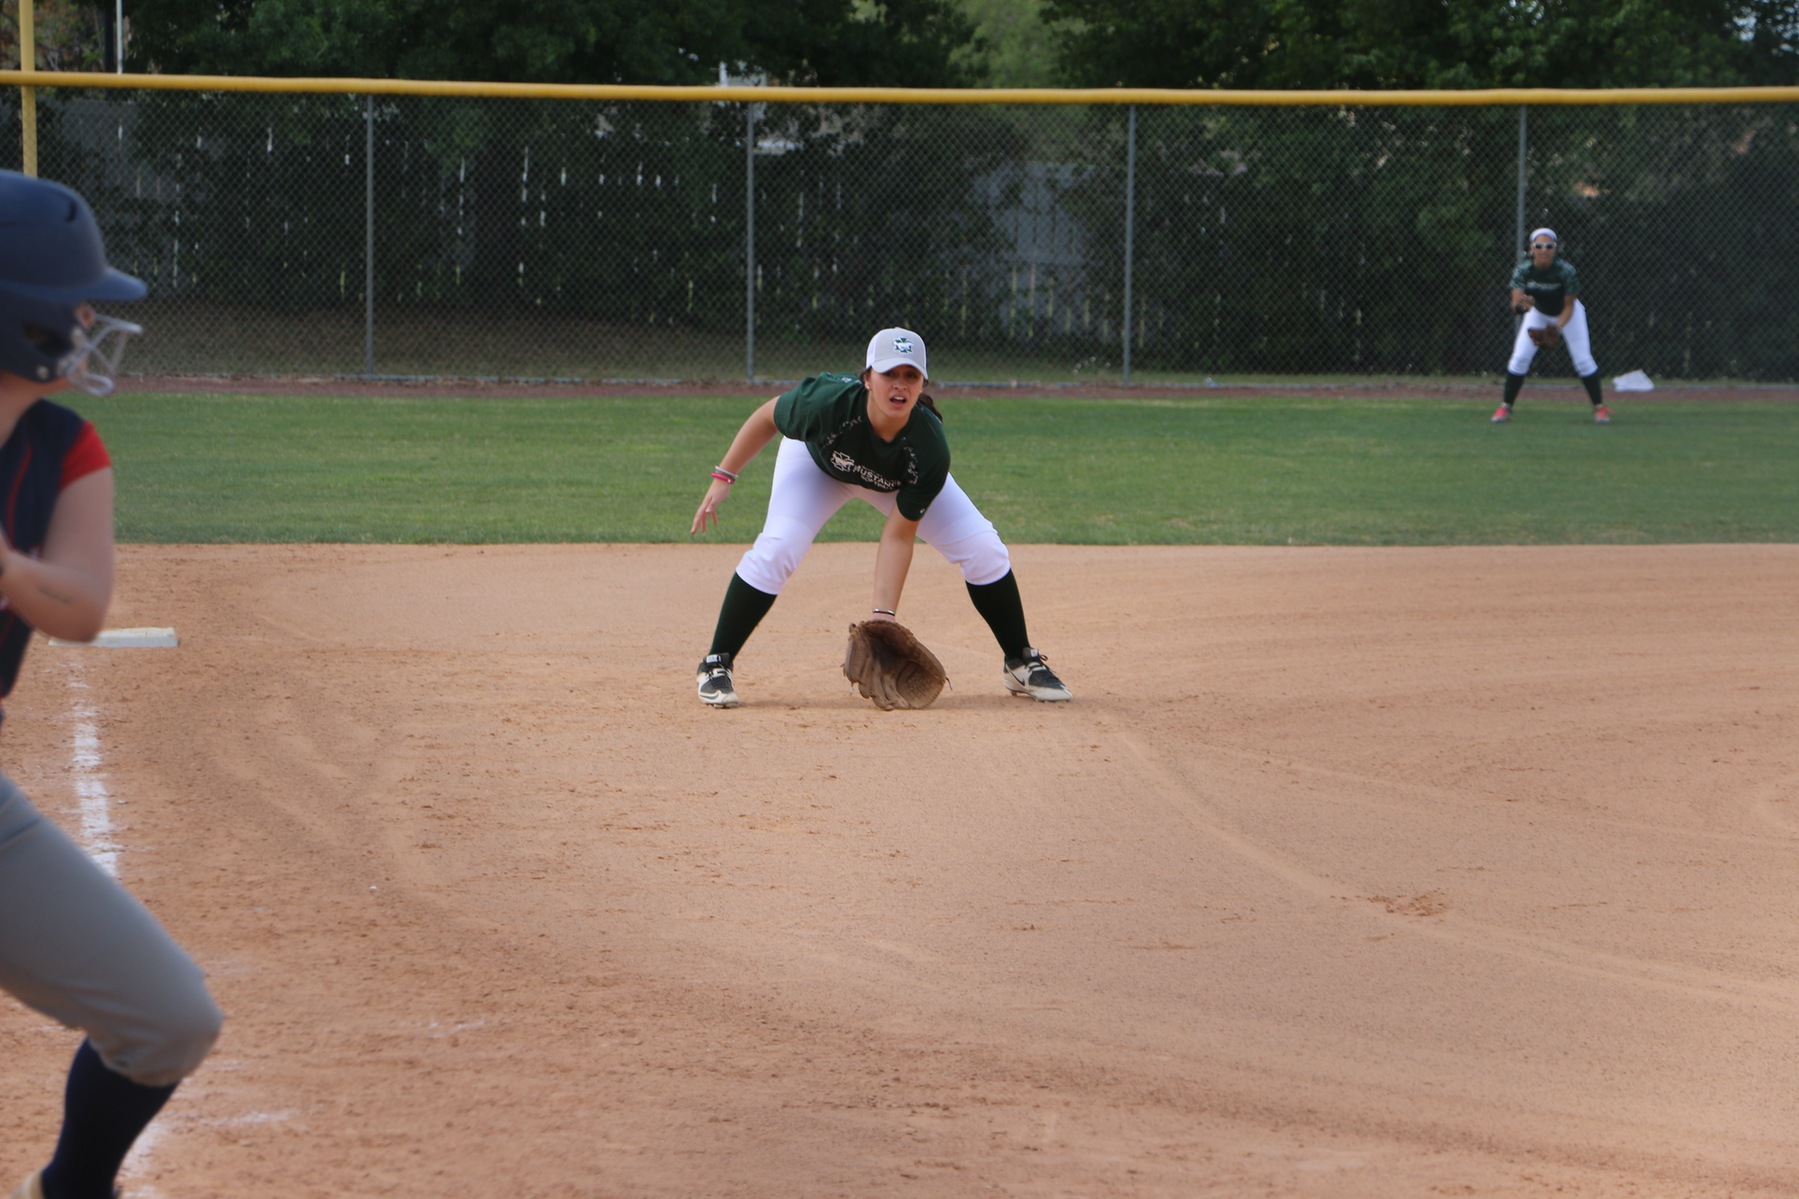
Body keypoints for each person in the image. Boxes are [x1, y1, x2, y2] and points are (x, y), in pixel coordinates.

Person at [0, 171, 223, 1199]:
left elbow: (81, 606)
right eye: (78, 299)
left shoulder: (63, 447)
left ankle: (73, 1188)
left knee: (167, 1016)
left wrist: (4, 567)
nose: (92, 319)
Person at [689, 327, 1071, 708]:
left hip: (893, 481)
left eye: (910, 375)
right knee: (778, 547)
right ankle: (715, 663)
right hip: (818, 465)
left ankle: (1020, 662)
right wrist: (725, 476)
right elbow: (767, 416)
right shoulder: (826, 402)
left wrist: (882, 616)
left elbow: (899, 534)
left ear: (923, 384)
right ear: (868, 378)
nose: (899, 385)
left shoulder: (929, 447)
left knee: (983, 547)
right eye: (889, 374)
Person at [1492, 227, 1611, 425]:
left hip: (1569, 314)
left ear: (1555, 249)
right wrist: (1523, 307)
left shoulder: (1565, 270)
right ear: (1532, 249)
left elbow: (1569, 305)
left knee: (1583, 361)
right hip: (1538, 312)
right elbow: (1515, 306)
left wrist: (1556, 328)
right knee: (1520, 358)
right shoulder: (1524, 270)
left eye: (1549, 246)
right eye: (1539, 245)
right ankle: (1505, 407)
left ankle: (1599, 408)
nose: (1544, 249)